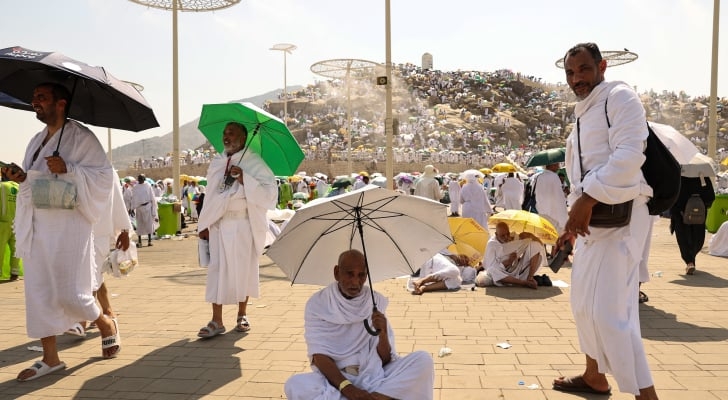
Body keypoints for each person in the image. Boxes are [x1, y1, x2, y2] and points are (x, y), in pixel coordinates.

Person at [553, 42, 658, 399]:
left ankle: (647, 395)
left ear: (602, 66)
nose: (576, 78)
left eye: (583, 69)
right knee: (583, 305)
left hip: (622, 221)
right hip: (592, 225)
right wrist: (571, 225)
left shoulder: (619, 97)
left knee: (612, 316)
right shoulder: (583, 111)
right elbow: (582, 171)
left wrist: (587, 198)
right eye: (570, 72)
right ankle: (594, 375)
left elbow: (630, 154)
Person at [2, 82, 120, 381]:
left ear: (61, 103)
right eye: (34, 97)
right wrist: (21, 176)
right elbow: (33, 181)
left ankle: (104, 322)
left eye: (41, 97)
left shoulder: (82, 137)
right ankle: (50, 358)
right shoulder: (36, 141)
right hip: (37, 224)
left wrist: (70, 169)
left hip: (69, 226)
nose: (35, 102)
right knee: (38, 291)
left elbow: (104, 177)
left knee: (70, 290)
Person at [284, 249, 435, 399]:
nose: (355, 282)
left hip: (374, 373)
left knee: (423, 360)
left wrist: (382, 333)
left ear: (366, 275)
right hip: (337, 380)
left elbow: (385, 360)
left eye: (361, 275)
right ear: (337, 273)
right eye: (349, 274)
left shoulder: (375, 302)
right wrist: (348, 389)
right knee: (294, 384)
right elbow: (319, 356)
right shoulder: (318, 304)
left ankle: (374, 398)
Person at [196, 122, 277, 338]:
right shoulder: (217, 162)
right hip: (219, 225)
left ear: (243, 137)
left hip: (243, 225)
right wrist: (204, 224)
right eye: (224, 133)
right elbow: (211, 195)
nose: (226, 136)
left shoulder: (254, 162)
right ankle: (216, 320)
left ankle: (242, 314)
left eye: (231, 133)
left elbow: (270, 195)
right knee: (217, 271)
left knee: (244, 270)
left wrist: (244, 178)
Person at [477, 222, 546, 289]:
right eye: (503, 236)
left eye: (507, 234)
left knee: (535, 247)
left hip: (517, 272)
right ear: (496, 234)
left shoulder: (513, 237)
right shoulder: (492, 244)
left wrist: (531, 236)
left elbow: (540, 244)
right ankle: (523, 283)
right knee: (492, 271)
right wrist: (508, 262)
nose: (506, 237)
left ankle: (530, 278)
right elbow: (490, 267)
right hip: (502, 275)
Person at [669, 176, 715, 275]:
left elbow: (673, 195)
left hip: (680, 213)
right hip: (698, 214)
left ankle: (689, 261)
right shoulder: (703, 177)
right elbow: (710, 196)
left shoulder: (679, 176)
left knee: (683, 238)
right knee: (697, 238)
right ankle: (691, 259)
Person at [533, 162, 568, 234]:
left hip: (542, 210)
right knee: (557, 232)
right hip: (555, 211)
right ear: (552, 165)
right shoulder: (554, 177)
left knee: (545, 231)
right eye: (557, 164)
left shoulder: (539, 177)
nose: (558, 167)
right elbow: (559, 196)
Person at [0, 172, 20, 281]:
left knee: (0, 249)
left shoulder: (1, 186)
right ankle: (14, 273)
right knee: (16, 249)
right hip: (17, 222)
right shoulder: (19, 187)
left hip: (2, 222)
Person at [131, 174, 158, 247]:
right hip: (139, 208)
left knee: (149, 224)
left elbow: (152, 197)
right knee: (140, 225)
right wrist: (132, 208)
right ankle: (139, 242)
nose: (140, 179)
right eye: (139, 178)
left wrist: (154, 207)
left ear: (144, 179)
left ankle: (149, 241)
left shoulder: (148, 186)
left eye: (142, 178)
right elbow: (133, 198)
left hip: (147, 207)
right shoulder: (135, 187)